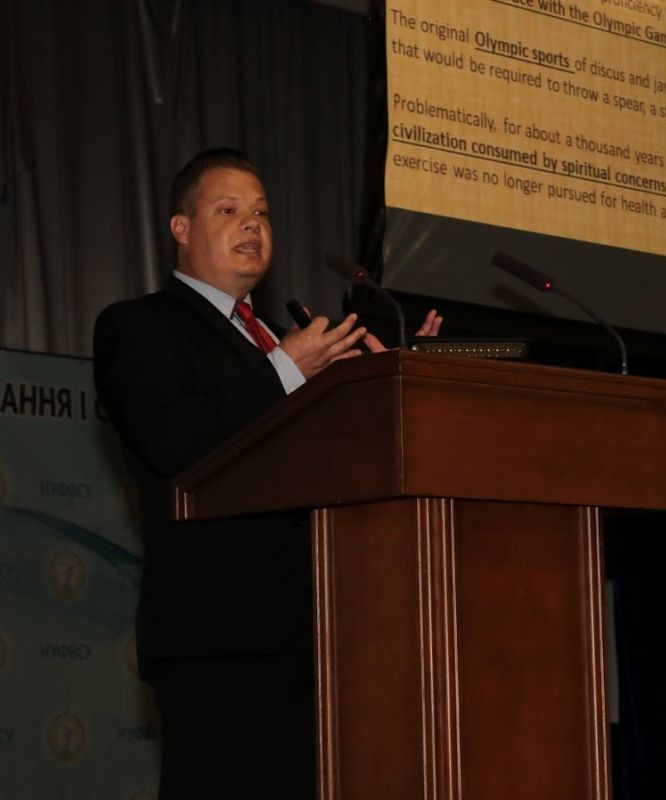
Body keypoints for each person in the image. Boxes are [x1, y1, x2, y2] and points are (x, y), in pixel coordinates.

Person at [93, 148, 441, 798]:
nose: (252, 224)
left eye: (261, 212)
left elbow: (336, 462)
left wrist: (387, 383)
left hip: (324, 635)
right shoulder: (138, 327)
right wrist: (287, 369)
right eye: (228, 210)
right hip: (219, 637)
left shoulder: (292, 340)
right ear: (180, 229)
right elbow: (172, 441)